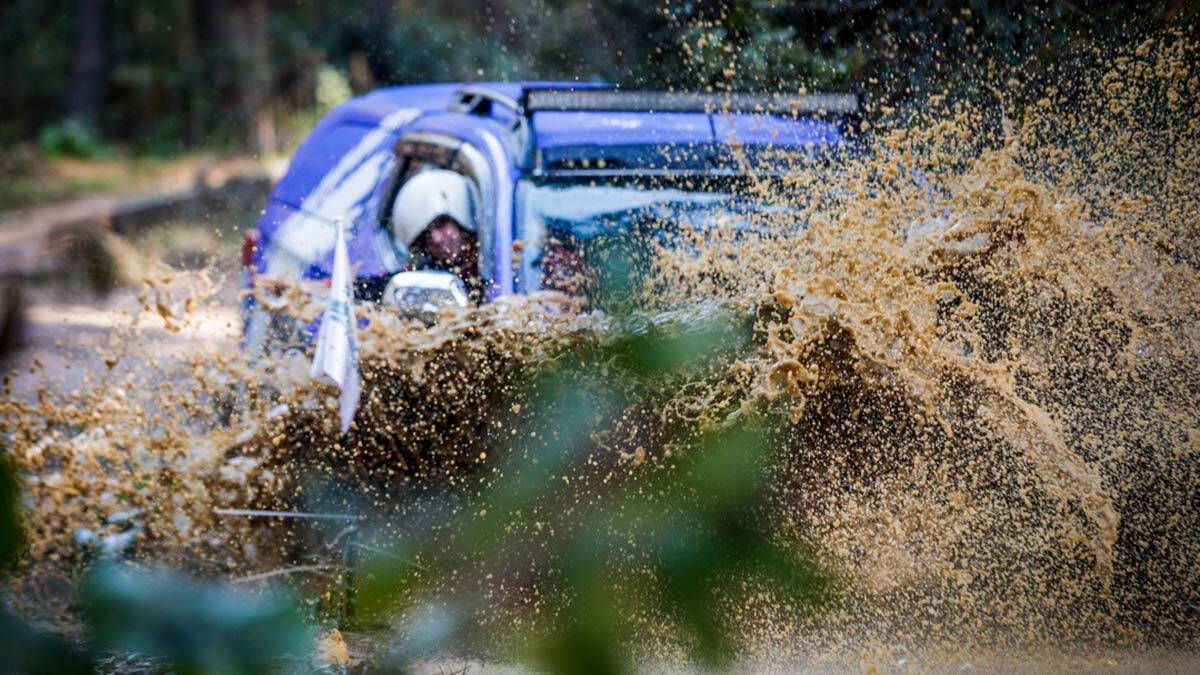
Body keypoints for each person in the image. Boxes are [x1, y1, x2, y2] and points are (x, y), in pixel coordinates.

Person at [390, 169, 482, 298]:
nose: (436, 239)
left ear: (462, 220)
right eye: (425, 236)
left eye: (441, 224)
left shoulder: (496, 260)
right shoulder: (424, 276)